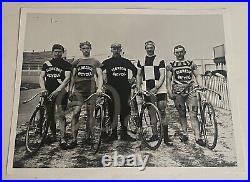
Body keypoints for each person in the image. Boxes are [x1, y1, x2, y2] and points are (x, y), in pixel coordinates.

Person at [166, 45, 206, 146]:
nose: (179, 54)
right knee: (182, 114)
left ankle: (198, 137)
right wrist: (170, 92)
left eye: (181, 52)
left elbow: (197, 75)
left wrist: (201, 84)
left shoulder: (190, 63)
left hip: (190, 91)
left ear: (184, 52)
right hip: (178, 93)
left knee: (193, 114)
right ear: (174, 53)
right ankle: (185, 133)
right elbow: (168, 80)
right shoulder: (171, 65)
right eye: (177, 52)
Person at [136, 40, 173, 146]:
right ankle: (155, 135)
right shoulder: (141, 60)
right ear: (145, 48)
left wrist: (156, 88)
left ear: (154, 48)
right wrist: (139, 87)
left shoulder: (160, 60)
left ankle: (166, 137)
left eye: (151, 47)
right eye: (147, 47)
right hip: (147, 88)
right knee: (151, 112)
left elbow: (162, 75)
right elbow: (138, 75)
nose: (149, 49)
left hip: (160, 88)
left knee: (162, 111)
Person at [68, 41, 103, 148]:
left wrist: (100, 87)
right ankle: (74, 139)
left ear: (90, 49)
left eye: (87, 48)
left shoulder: (95, 61)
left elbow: (100, 75)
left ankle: (88, 137)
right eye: (83, 48)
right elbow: (73, 77)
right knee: (76, 113)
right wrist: (70, 90)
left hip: (91, 91)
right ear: (81, 49)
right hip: (78, 91)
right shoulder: (76, 61)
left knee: (90, 114)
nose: (86, 50)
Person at [102, 43, 137, 142]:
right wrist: (103, 81)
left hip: (124, 89)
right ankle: (113, 134)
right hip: (111, 90)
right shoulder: (107, 62)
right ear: (111, 50)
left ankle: (124, 134)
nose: (116, 50)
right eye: (114, 49)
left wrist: (133, 80)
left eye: (118, 49)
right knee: (112, 111)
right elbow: (98, 71)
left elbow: (135, 70)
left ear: (121, 49)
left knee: (125, 111)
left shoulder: (125, 61)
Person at [39, 44, 72, 149]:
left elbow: (67, 79)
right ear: (52, 52)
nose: (57, 53)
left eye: (59, 52)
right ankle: (53, 135)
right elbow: (41, 77)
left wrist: (58, 90)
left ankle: (62, 138)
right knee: (49, 115)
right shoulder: (47, 64)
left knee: (61, 115)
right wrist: (43, 88)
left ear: (62, 53)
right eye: (55, 51)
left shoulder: (66, 64)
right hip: (48, 92)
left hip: (61, 92)